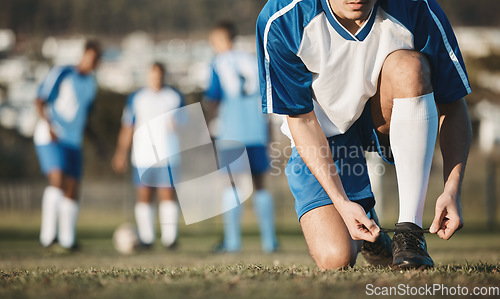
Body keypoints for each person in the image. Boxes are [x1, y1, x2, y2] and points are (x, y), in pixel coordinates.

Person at [257, 0, 471, 270]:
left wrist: (452, 189)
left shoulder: (416, 7)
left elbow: (453, 106)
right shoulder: (283, 18)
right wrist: (342, 203)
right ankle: (372, 234)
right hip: (324, 135)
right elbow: (302, 120)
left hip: (384, 117)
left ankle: (409, 232)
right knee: (336, 258)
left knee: (409, 66)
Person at [205, 21, 279, 253]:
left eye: (214, 41)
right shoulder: (251, 60)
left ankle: (232, 242)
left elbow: (214, 98)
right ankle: (269, 241)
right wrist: (268, 131)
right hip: (256, 130)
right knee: (260, 185)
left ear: (223, 40)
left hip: (232, 132)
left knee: (233, 185)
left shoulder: (219, 62)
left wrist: (207, 127)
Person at [35, 39, 101, 250]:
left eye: (98, 60)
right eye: (92, 57)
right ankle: (47, 237)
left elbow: (85, 118)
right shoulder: (63, 72)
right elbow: (39, 100)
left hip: (74, 141)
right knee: (58, 179)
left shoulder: (91, 84)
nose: (94, 62)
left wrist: (98, 143)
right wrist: (49, 125)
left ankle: (67, 240)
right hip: (52, 137)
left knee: (72, 188)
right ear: (84, 55)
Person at [112, 63, 183, 249]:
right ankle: (146, 239)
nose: (156, 79)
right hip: (143, 155)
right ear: (147, 76)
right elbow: (128, 126)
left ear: (164, 76)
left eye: (159, 75)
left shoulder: (175, 97)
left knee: (167, 194)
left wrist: (180, 126)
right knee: (144, 195)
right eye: (153, 75)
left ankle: (170, 239)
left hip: (168, 153)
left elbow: (187, 123)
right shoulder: (136, 98)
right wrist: (121, 153)